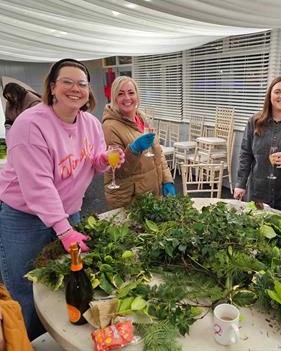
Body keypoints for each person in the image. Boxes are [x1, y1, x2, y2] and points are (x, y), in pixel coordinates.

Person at [0, 58, 124, 340]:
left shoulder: (91, 123)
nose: (75, 88)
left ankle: (60, 339)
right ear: (52, 88)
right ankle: (28, 342)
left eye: (82, 83)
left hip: (69, 212)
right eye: (67, 82)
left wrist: (104, 160)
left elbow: (92, 161)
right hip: (23, 218)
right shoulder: (30, 125)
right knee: (26, 291)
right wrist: (64, 229)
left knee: (65, 282)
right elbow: (38, 186)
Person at [233, 76, 281, 210]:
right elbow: (245, 154)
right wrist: (240, 184)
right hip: (257, 190)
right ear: (270, 95)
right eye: (277, 92)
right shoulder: (255, 121)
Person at [102, 76, 175, 208]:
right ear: (114, 98)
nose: (127, 98)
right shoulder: (110, 127)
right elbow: (117, 171)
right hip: (130, 199)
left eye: (131, 92)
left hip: (150, 194)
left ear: (137, 95)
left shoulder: (142, 118)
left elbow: (158, 153)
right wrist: (134, 150)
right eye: (120, 94)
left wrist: (167, 179)